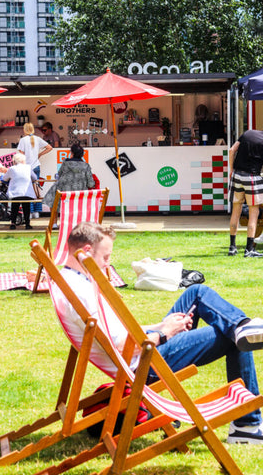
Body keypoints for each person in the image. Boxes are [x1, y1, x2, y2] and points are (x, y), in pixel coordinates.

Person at [54, 221, 263, 444]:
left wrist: (161, 326)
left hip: (139, 349)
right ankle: (246, 425)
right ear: (86, 252)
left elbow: (119, 335)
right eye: (106, 257)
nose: (108, 263)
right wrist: (164, 334)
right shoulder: (82, 294)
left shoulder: (69, 281)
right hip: (141, 362)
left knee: (196, 292)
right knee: (231, 337)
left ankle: (241, 324)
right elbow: (124, 346)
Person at [228, 130, 263, 257]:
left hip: (237, 175)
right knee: (254, 212)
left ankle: (232, 247)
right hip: (252, 177)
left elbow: (232, 151)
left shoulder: (247, 133)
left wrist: (231, 170)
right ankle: (249, 249)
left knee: (236, 210)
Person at [43, 143, 95, 227]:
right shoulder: (86, 166)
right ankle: (78, 222)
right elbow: (91, 183)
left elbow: (59, 174)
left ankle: (54, 223)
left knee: (52, 198)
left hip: (64, 193)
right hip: (79, 194)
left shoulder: (65, 162)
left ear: (72, 153)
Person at [17, 123, 52, 219]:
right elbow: (50, 147)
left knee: (28, 191)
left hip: (26, 168)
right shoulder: (38, 139)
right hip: (36, 166)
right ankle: (37, 211)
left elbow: (21, 155)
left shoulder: (23, 140)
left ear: (25, 130)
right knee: (36, 188)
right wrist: (40, 154)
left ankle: (30, 212)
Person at [2, 153, 37, 230]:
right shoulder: (28, 167)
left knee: (14, 207)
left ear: (14, 161)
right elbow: (35, 178)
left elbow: (4, 179)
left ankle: (13, 223)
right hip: (27, 193)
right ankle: (27, 224)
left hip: (15, 193)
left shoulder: (12, 168)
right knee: (26, 207)